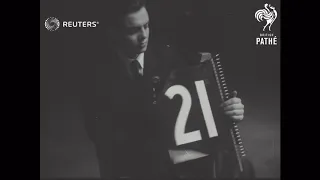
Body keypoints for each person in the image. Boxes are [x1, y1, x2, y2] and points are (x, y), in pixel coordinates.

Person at [81, 0, 245, 179]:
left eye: (146, 26)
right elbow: (101, 135)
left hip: (173, 166)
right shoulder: (96, 74)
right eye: (133, 30)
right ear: (114, 33)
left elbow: (199, 108)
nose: (143, 36)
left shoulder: (170, 57)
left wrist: (229, 109)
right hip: (127, 167)